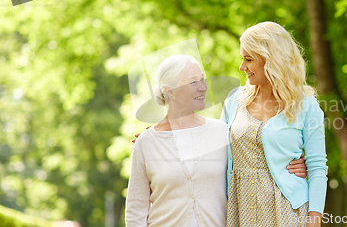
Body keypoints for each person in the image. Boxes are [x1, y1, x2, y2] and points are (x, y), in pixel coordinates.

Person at [126, 54, 307, 227]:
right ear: (170, 91)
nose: (203, 87)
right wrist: (156, 135)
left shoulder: (221, 132)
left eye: (202, 79)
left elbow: (257, 158)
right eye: (193, 82)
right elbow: (136, 211)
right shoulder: (146, 143)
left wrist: (293, 165)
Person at [221, 21, 327, 227]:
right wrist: (162, 133)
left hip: (289, 213)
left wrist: (314, 223)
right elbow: (209, 145)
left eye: (248, 59)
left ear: (270, 59)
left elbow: (317, 169)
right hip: (239, 212)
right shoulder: (234, 101)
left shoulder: (306, 106)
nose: (242, 67)